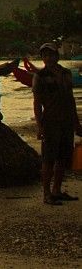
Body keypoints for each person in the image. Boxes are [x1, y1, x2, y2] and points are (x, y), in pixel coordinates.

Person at [32, 42, 82, 205]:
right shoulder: (40, 76)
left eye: (51, 54)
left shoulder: (66, 73)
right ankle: (47, 193)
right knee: (48, 159)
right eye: (45, 55)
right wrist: (40, 126)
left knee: (63, 157)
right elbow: (37, 103)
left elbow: (71, 99)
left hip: (66, 121)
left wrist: (77, 124)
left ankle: (57, 190)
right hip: (50, 121)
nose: (48, 58)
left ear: (56, 56)